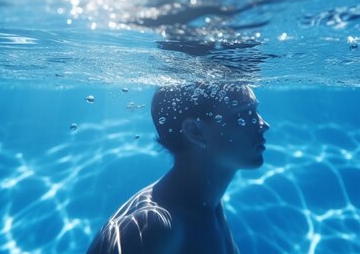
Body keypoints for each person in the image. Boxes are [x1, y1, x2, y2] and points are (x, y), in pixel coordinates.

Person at [87, 83, 270, 254]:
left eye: (255, 110)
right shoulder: (153, 226)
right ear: (195, 131)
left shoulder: (208, 204)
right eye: (243, 113)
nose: (263, 125)